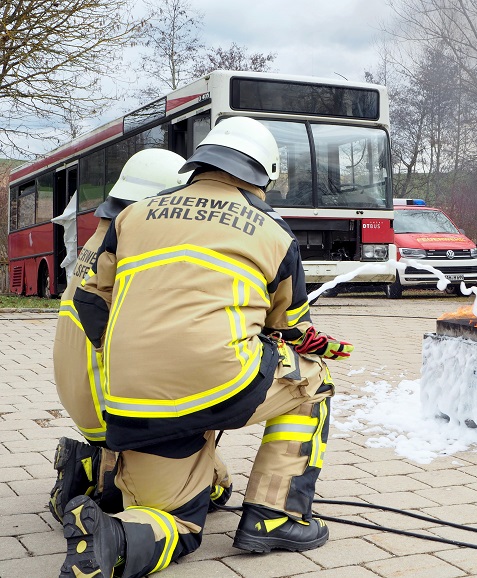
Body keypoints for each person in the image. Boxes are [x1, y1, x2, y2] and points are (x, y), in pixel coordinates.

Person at [65, 117, 352, 578]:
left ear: (200, 165)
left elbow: (91, 303)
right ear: (263, 176)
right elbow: (292, 329)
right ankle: (275, 516)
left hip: (132, 398)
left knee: (176, 521)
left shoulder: (132, 216)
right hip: (220, 383)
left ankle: (115, 539)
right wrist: (322, 346)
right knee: (313, 376)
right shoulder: (273, 233)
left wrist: (139, 357)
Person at [50, 149, 233, 524]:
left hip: (81, 395)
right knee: (215, 489)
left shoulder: (100, 241)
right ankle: (112, 477)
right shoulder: (143, 249)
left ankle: (94, 468)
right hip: (119, 408)